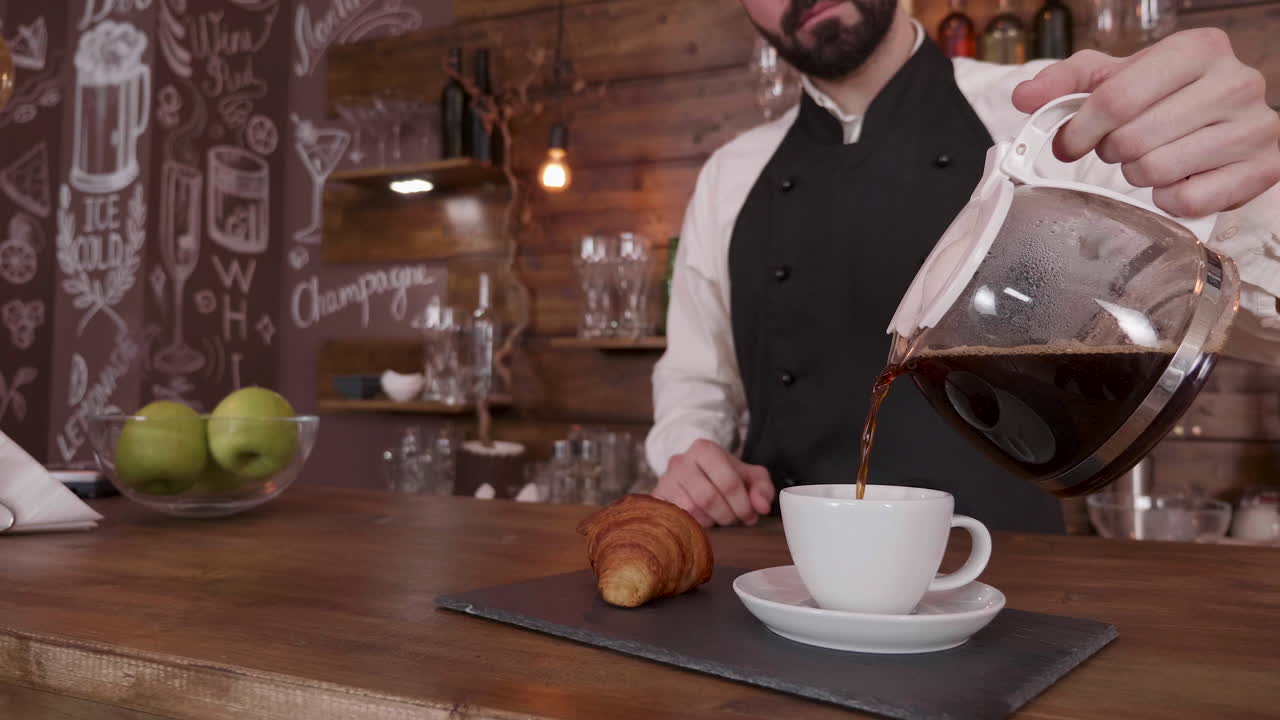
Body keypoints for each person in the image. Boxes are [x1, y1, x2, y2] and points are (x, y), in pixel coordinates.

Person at [645, 0, 1280, 532]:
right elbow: (696, 381)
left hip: (1010, 584)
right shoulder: (731, 174)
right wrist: (687, 450)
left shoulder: (1048, 115)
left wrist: (1250, 183)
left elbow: (1254, 321)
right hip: (783, 580)